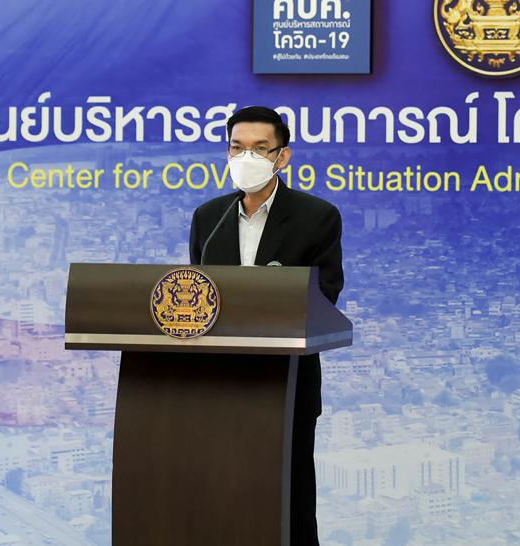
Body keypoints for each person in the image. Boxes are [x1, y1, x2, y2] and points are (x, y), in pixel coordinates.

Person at [189, 106, 344, 546]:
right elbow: (198, 296)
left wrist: (267, 297)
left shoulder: (317, 216)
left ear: (282, 156)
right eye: (237, 147)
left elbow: (325, 293)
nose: (247, 157)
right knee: (223, 498)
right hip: (220, 386)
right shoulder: (208, 217)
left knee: (289, 502)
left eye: (260, 148)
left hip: (287, 383)